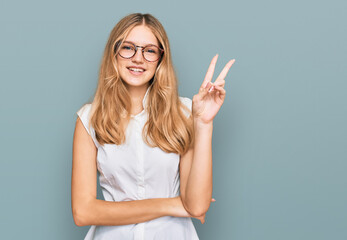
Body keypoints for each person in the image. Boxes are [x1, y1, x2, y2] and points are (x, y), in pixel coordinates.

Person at [71, 13, 235, 240]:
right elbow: (83, 212)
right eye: (128, 47)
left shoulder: (185, 113)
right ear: (114, 53)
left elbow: (196, 206)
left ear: (160, 58)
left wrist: (204, 124)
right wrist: (171, 205)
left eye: (149, 50)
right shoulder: (89, 119)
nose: (138, 58)